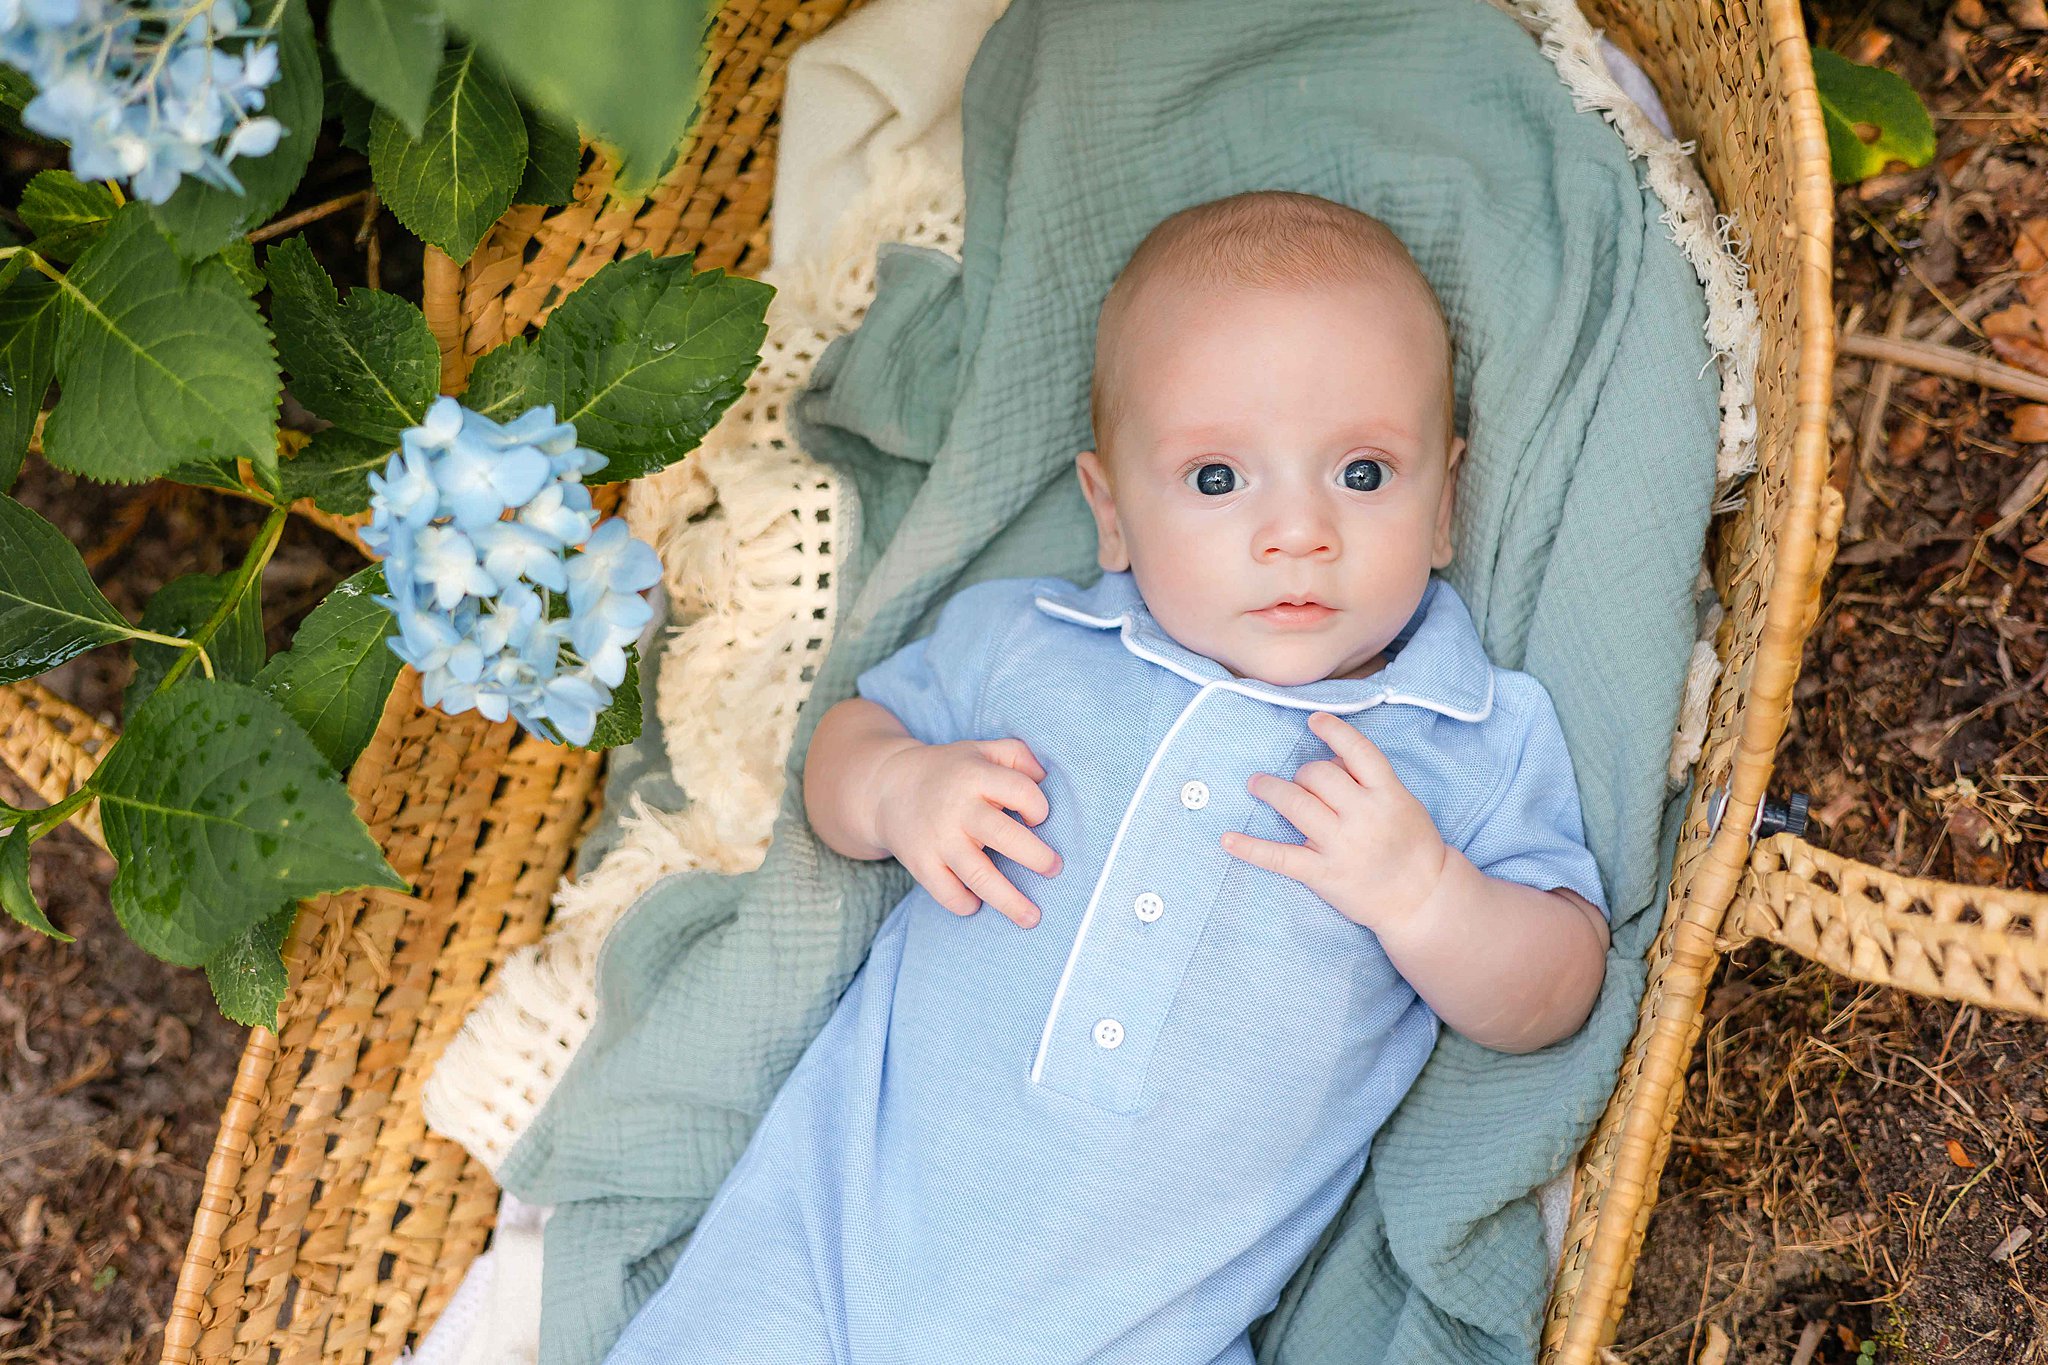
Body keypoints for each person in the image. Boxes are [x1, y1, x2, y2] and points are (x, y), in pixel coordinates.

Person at [603, 189, 1611, 1365]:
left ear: (1446, 503)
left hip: (1132, 1329)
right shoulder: (1031, 645)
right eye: (1219, 480)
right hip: (826, 1252)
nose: (1298, 532)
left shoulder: (1466, 738)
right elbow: (840, 750)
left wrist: (1429, 897)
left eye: (1364, 474)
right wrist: (899, 790)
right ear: (1111, 513)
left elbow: (1557, 989)